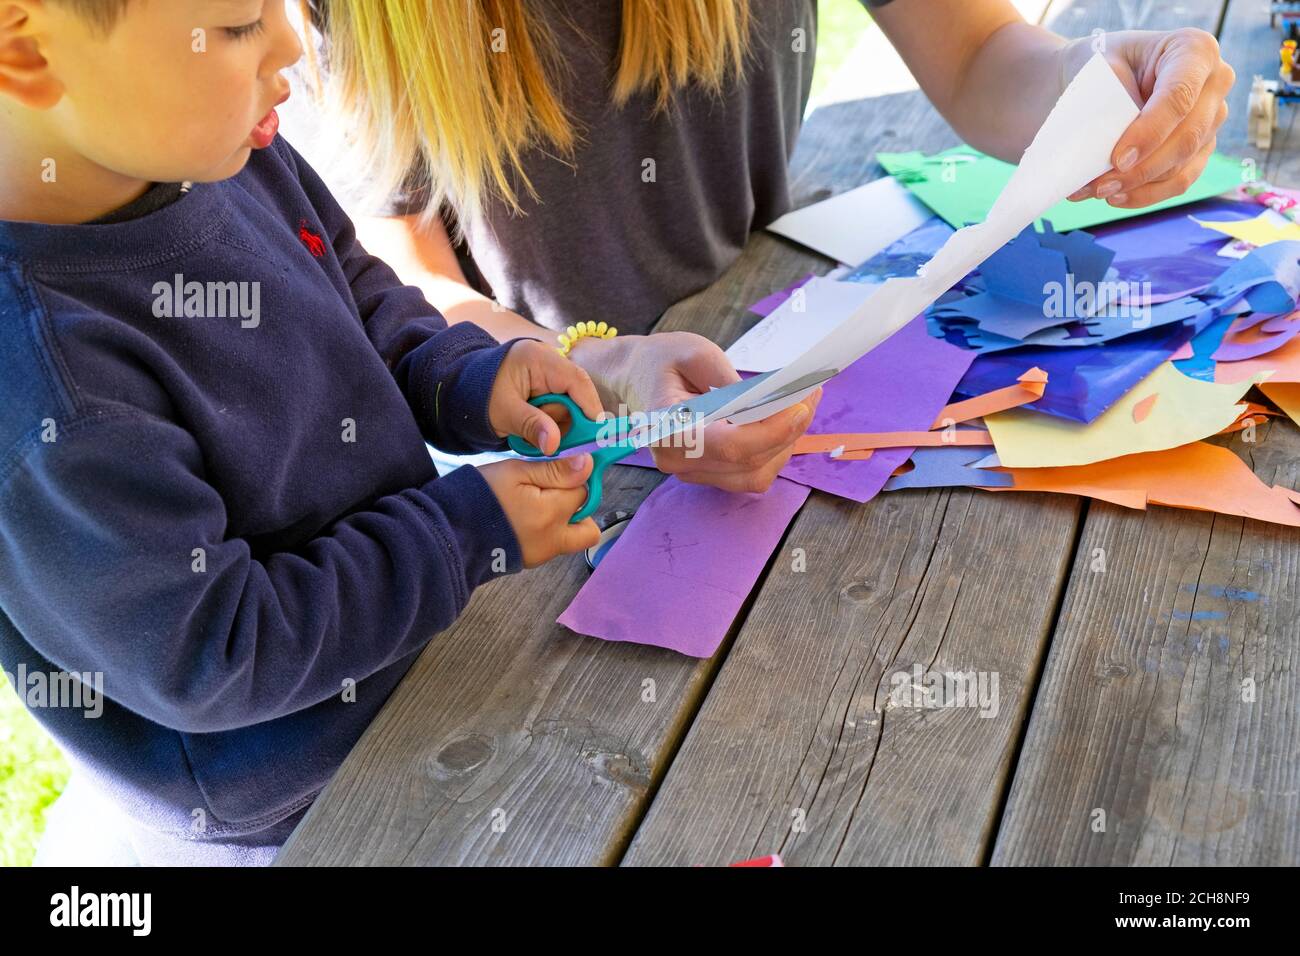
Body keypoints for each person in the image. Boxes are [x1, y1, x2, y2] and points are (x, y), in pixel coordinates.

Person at [0, 0, 606, 864]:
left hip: (416, 648)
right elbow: (219, 652)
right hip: (296, 799)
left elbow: (355, 294)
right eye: (242, 23)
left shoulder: (219, 145)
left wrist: (465, 377)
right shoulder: (44, 381)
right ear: (26, 49)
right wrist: (461, 532)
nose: (293, 41)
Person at [283, 0, 1234, 486]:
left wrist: (1100, 86)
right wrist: (600, 372)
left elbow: (983, 55)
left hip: (777, 328)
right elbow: (397, 268)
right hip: (545, 440)